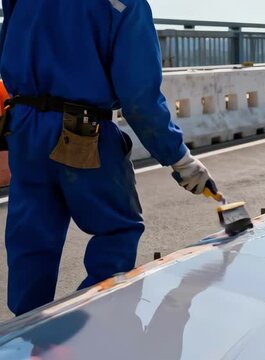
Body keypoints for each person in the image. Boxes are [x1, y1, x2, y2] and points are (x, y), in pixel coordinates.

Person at [0, 0, 217, 316]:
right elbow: (140, 99)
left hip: (23, 126)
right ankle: (87, 329)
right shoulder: (125, 4)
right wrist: (179, 158)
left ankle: (27, 332)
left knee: (32, 234)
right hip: (80, 130)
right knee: (117, 229)